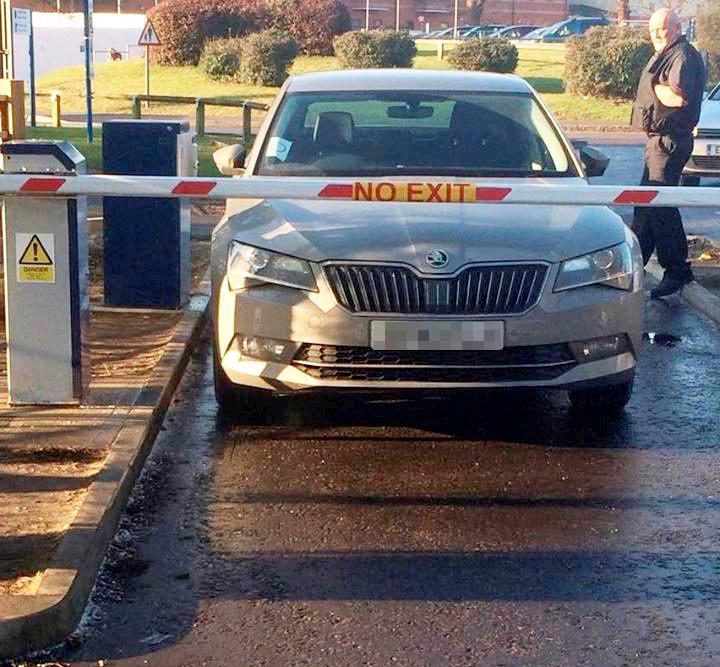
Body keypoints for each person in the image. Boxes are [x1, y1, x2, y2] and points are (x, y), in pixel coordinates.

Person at [630, 8, 706, 298]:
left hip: (670, 141)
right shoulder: (669, 53)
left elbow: (678, 96)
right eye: (653, 30)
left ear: (677, 27)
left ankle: (677, 271)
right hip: (659, 141)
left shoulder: (682, 55)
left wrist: (652, 85)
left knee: (660, 205)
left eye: (663, 28)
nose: (658, 34)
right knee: (646, 206)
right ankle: (633, 268)